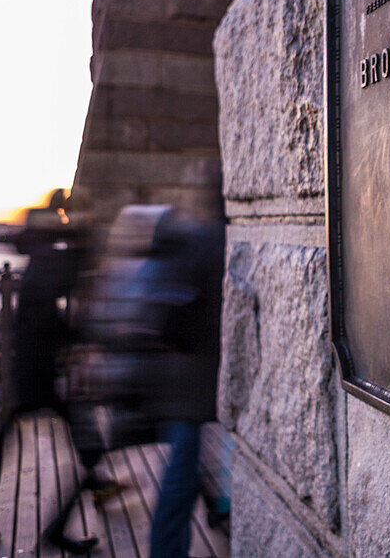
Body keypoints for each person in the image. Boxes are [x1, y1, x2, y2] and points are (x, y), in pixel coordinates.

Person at [0, 191, 120, 553]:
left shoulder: (40, 257)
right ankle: (61, 522)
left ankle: (93, 486)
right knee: (5, 448)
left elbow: (54, 308)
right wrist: (86, 237)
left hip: (32, 371)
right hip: (35, 375)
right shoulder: (46, 260)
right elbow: (64, 294)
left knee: (73, 434)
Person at [143, 211, 225, 558]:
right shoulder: (209, 247)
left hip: (177, 382)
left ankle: (219, 509)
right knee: (182, 474)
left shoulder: (173, 258)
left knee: (189, 466)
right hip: (192, 385)